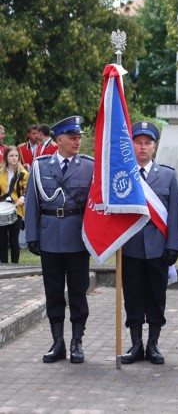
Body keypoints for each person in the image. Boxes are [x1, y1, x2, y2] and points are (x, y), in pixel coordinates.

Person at [24, 115, 94, 364]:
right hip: (50, 235)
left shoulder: (88, 166)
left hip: (77, 238)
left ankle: (77, 341)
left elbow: (95, 205)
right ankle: (58, 342)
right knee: (53, 291)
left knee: (78, 291)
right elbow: (32, 202)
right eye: (72, 137)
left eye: (79, 137)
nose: (77, 141)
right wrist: (32, 235)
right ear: (59, 140)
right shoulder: (41, 166)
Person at [120, 121, 178, 365]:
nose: (142, 147)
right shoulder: (123, 175)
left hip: (158, 248)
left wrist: (173, 246)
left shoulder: (167, 175)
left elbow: (176, 214)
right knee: (133, 297)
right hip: (130, 246)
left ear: (154, 146)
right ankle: (136, 345)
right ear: (132, 144)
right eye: (138, 142)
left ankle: (153, 344)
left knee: (157, 298)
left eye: (147, 143)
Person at [0, 146, 28, 263]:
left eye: (16, 156)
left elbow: (28, 191)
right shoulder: (0, 173)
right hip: (1, 210)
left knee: (14, 240)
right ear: (6, 157)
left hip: (17, 210)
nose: (14, 158)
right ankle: (4, 264)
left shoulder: (23, 174)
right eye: (11, 156)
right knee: (1, 240)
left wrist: (23, 197)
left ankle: (15, 264)